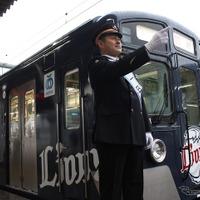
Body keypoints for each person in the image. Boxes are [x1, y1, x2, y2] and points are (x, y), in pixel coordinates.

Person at [88, 20, 169, 200]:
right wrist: (147, 48)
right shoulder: (97, 65)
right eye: (112, 38)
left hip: (134, 136)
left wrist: (147, 130)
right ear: (100, 43)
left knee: (134, 186)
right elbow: (119, 67)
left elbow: (138, 99)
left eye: (119, 38)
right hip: (113, 137)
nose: (119, 41)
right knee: (112, 189)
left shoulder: (125, 70)